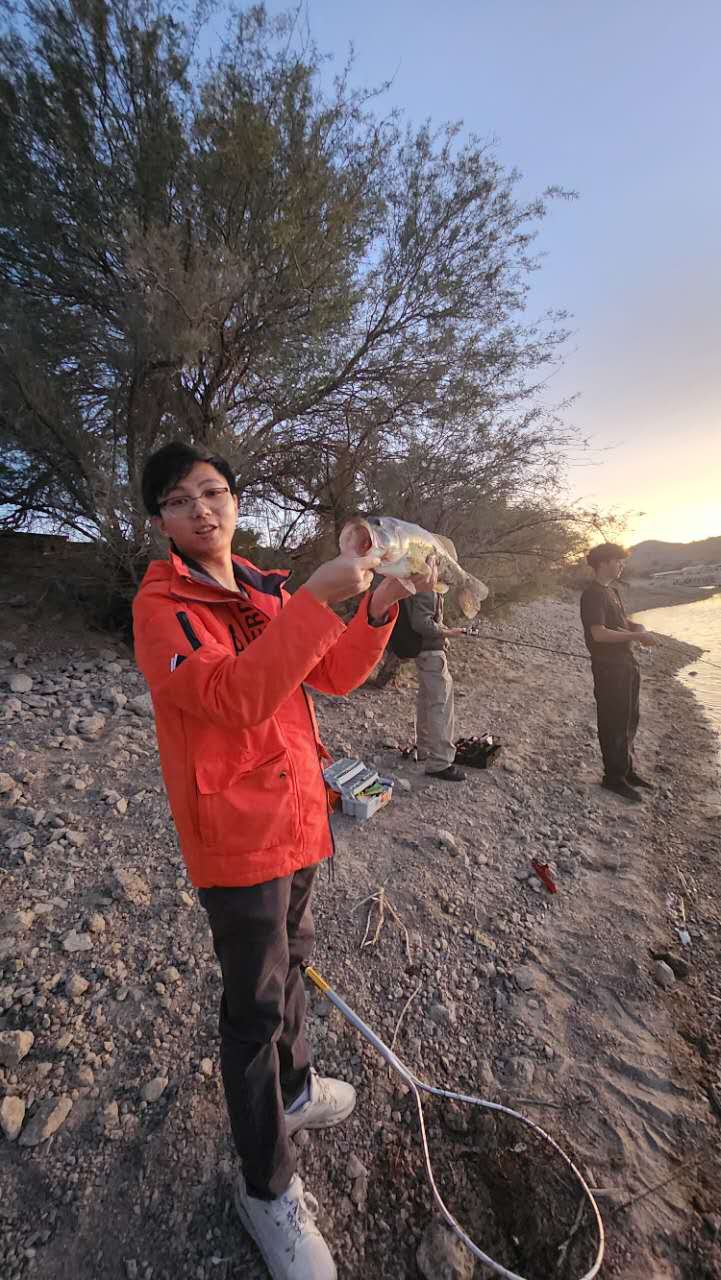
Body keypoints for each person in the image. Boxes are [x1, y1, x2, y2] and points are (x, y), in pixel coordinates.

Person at [133, 442, 432, 1280]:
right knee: (254, 1012)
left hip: (301, 814)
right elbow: (233, 698)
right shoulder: (162, 608)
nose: (204, 509)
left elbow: (330, 675)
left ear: (234, 502)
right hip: (236, 835)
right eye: (181, 499)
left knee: (295, 960)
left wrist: (378, 605)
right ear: (160, 520)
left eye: (215, 491)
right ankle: (266, 1193)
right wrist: (314, 596)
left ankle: (295, 1091)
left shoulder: (264, 586)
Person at [580, 543, 658, 802]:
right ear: (603, 563)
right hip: (608, 668)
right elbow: (598, 633)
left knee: (629, 718)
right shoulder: (592, 594)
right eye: (617, 561)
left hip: (627, 663)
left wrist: (638, 626)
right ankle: (613, 778)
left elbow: (622, 622)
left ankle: (627, 771)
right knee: (613, 720)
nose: (621, 565)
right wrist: (638, 636)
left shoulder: (612, 591)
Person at [406, 588, 467, 781]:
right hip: (431, 655)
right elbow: (421, 623)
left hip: (426, 653)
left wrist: (445, 634)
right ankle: (440, 762)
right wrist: (448, 632)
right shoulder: (429, 589)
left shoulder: (427, 586)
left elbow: (429, 621)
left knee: (426, 702)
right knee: (441, 706)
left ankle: (423, 750)